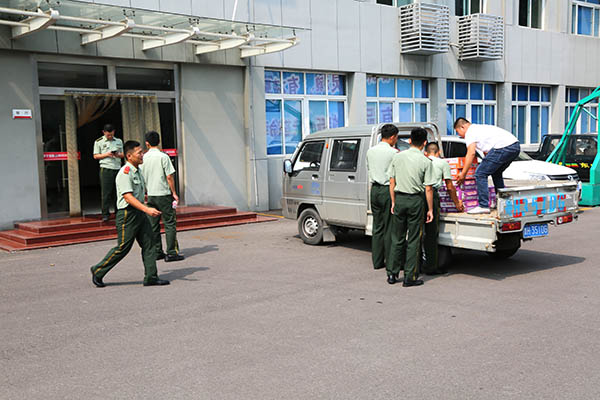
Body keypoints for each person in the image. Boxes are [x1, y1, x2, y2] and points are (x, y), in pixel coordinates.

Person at [90, 140, 170, 288]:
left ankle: (151, 277)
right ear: (129, 155)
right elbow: (128, 197)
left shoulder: (138, 170)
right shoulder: (124, 173)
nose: (142, 155)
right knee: (123, 247)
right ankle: (98, 270)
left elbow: (138, 195)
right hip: (128, 215)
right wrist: (147, 209)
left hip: (139, 212)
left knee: (149, 243)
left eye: (142, 152)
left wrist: (145, 206)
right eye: (139, 153)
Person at [386, 128, 436, 287]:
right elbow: (428, 188)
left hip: (400, 198)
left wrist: (393, 201)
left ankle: (392, 274)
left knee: (397, 237)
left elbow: (392, 182)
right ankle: (410, 276)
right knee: (414, 239)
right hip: (415, 201)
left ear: (409, 141)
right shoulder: (426, 161)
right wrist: (430, 209)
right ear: (425, 143)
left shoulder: (398, 157)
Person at [454, 118, 520, 214]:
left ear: (462, 127)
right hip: (515, 146)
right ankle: (503, 203)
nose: (459, 135)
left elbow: (471, 153)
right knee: (496, 172)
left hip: (504, 147)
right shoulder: (479, 129)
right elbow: (487, 154)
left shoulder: (470, 132)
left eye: (458, 132)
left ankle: (483, 205)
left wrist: (463, 173)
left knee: (480, 173)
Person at [141, 131, 184, 262]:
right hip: (164, 194)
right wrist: (174, 193)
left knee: (153, 225)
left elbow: (141, 177)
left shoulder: (143, 158)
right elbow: (169, 176)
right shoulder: (163, 157)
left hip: (151, 194)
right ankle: (171, 252)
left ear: (147, 143)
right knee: (169, 223)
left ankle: (157, 251)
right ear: (158, 142)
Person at [422, 142, 464, 276]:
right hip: (432, 195)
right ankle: (431, 266)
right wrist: (457, 203)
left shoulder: (421, 161)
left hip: (417, 195)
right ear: (438, 152)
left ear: (426, 152)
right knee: (431, 233)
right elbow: (450, 186)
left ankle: (414, 265)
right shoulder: (442, 163)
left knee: (416, 233)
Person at [366, 124, 399, 271]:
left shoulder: (370, 151)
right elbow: (396, 175)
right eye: (396, 137)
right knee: (389, 227)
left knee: (377, 227)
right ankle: (390, 261)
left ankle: (377, 261)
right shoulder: (394, 153)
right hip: (387, 190)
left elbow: (369, 169)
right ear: (392, 137)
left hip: (374, 190)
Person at [93, 124, 124, 222]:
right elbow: (95, 156)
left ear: (114, 132)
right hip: (106, 168)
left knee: (118, 192)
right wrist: (106, 154)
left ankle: (118, 211)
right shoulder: (99, 142)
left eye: (111, 134)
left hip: (117, 168)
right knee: (106, 192)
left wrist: (117, 155)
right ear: (104, 132)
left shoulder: (118, 141)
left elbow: (123, 154)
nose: (110, 136)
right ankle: (105, 214)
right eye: (108, 135)